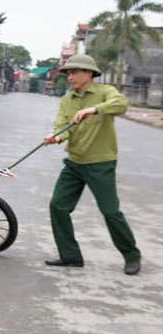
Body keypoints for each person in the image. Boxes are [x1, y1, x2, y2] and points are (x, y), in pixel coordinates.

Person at [42, 54, 141, 275]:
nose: (70, 77)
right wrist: (55, 137)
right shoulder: (67, 100)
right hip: (74, 162)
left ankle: (132, 256)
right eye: (68, 73)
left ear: (89, 73)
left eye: (74, 72)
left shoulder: (105, 92)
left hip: (100, 163)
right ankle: (70, 256)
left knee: (110, 211)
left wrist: (93, 109)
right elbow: (62, 125)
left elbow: (121, 104)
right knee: (58, 205)